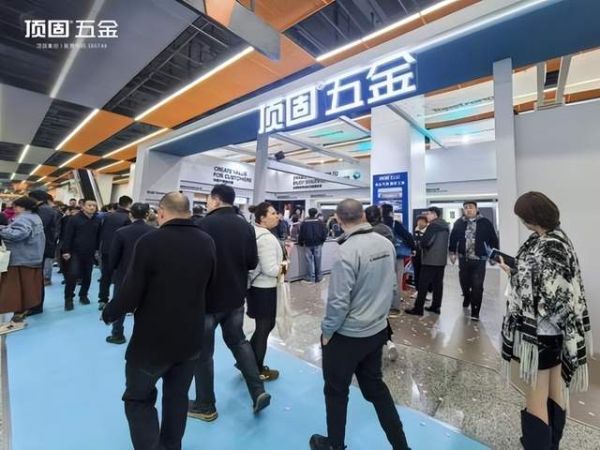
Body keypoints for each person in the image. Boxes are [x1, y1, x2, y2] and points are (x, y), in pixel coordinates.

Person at [102, 192, 216, 450]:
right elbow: (211, 285)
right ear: (188, 211)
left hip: (152, 341)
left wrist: (110, 313)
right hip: (190, 338)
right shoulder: (206, 241)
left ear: (161, 212)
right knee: (177, 398)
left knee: (138, 399)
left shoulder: (149, 242)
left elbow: (131, 291)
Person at [310, 199, 410, 450]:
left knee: (336, 392)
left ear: (337, 219)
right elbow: (392, 286)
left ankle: (334, 445)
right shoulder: (386, 244)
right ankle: (401, 446)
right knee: (375, 387)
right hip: (377, 331)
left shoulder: (346, 252)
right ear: (363, 215)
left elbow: (338, 302)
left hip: (348, 337)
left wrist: (327, 332)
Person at [499, 192, 592, 449]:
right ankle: (551, 444)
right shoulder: (553, 239)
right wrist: (517, 271)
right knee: (554, 389)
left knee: (536, 395)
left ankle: (539, 445)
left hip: (542, 332)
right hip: (556, 331)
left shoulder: (550, 245)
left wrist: (515, 276)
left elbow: (550, 295)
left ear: (531, 217)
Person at [189, 185, 270, 422]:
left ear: (215, 200)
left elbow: (194, 263)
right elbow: (252, 262)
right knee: (239, 341)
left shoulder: (202, 225)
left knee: (203, 353)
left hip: (207, 300)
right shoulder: (245, 226)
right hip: (235, 297)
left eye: (208, 199)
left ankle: (206, 405)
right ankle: (258, 391)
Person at [105, 203, 154, 345]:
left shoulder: (121, 232)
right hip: (148, 274)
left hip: (124, 273)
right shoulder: (154, 232)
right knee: (147, 305)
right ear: (147, 215)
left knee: (120, 302)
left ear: (130, 214)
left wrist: (112, 270)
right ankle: (144, 337)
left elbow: (113, 257)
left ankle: (117, 334)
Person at [248, 202, 285, 381]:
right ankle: (257, 370)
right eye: (272, 213)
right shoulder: (266, 238)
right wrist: (286, 265)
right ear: (262, 218)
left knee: (265, 326)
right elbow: (271, 269)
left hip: (258, 289)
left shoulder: (255, 232)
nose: (276, 216)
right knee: (263, 329)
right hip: (264, 290)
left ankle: (246, 361)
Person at [0, 196, 45, 333]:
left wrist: (1, 230)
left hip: (21, 259)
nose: (14, 209)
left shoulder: (23, 218)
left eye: (16, 206)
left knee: (15, 291)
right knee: (27, 291)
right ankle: (18, 318)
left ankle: (17, 320)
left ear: (23, 207)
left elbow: (18, 234)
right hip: (32, 258)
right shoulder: (35, 217)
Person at [449, 201, 499, 320]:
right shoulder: (459, 223)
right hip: (463, 259)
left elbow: (493, 240)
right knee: (464, 282)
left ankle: (475, 312)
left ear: (476, 209)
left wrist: (494, 256)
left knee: (477, 285)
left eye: (471, 207)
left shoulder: (485, 223)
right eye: (466, 208)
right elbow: (453, 238)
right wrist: (452, 252)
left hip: (479, 259)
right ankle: (467, 296)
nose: (468, 209)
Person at [365, 205, 399, 362]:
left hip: (370, 276)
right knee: (380, 312)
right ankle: (389, 341)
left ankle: (379, 344)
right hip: (386, 275)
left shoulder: (367, 233)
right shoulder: (387, 229)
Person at [406, 207, 449, 316]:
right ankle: (436, 306)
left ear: (434, 214)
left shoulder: (433, 226)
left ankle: (418, 309)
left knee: (423, 284)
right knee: (438, 284)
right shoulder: (445, 225)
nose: (427, 216)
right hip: (441, 260)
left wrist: (420, 245)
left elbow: (426, 242)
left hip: (430, 259)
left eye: (428, 213)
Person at [61, 199, 101, 311]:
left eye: (94, 206)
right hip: (75, 252)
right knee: (72, 275)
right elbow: (67, 235)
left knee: (87, 275)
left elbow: (98, 236)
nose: (92, 207)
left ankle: (83, 295)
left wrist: (97, 250)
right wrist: (65, 251)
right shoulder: (74, 219)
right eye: (89, 205)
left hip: (90, 252)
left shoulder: (97, 220)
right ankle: (68, 298)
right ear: (83, 207)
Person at [98, 196, 132, 309]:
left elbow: (101, 232)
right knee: (121, 278)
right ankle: (118, 302)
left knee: (105, 276)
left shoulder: (107, 216)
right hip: (121, 252)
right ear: (129, 204)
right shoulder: (128, 218)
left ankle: (103, 300)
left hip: (106, 249)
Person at [381, 204, 415, 316]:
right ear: (391, 212)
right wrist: (413, 248)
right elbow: (408, 237)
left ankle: (382, 305)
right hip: (396, 256)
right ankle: (394, 307)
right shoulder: (395, 224)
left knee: (382, 281)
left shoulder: (377, 225)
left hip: (380, 256)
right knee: (397, 280)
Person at [298, 208, 328, 284]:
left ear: (309, 213)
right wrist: (322, 241)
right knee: (318, 261)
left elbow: (301, 233)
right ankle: (319, 278)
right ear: (316, 213)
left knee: (308, 261)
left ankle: (309, 278)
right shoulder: (320, 222)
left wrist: (300, 242)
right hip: (318, 244)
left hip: (307, 244)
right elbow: (324, 232)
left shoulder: (304, 222)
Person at [410, 216, 429, 298]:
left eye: (422, 221)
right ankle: (418, 290)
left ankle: (426, 292)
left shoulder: (429, 232)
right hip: (416, 257)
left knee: (425, 275)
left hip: (426, 257)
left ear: (426, 223)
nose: (420, 223)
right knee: (417, 274)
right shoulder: (414, 231)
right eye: (418, 221)